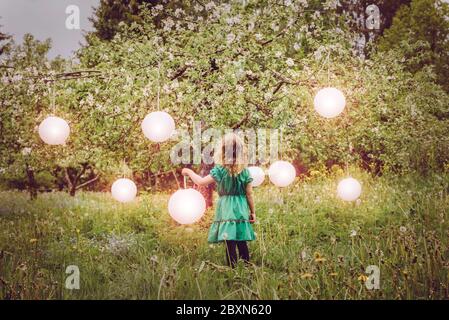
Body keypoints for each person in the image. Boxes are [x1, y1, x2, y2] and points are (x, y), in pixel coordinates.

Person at [181, 133, 256, 267]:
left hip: (226, 208)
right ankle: (247, 267)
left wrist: (189, 172)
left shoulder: (220, 170)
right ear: (240, 152)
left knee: (229, 240)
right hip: (240, 208)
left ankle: (232, 269)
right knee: (241, 239)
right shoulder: (245, 172)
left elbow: (201, 182)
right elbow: (249, 194)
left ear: (222, 151)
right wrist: (253, 212)